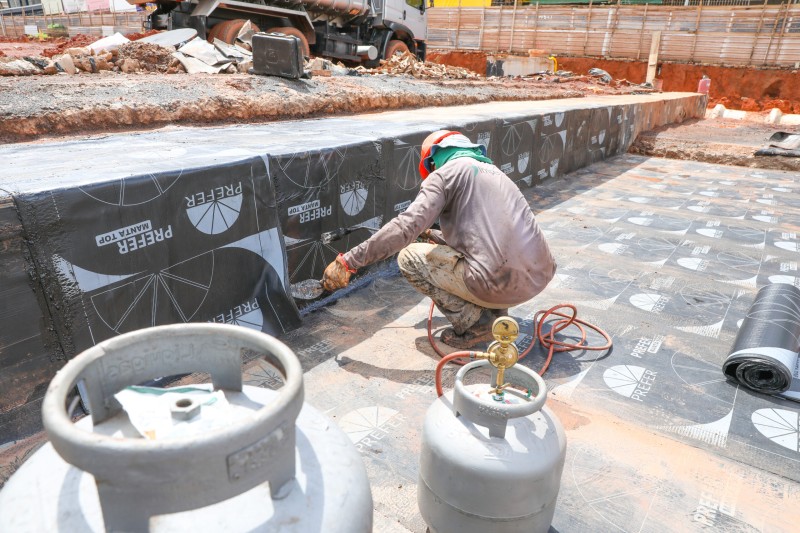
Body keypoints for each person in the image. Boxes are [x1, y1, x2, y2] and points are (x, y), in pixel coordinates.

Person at [322, 130, 557, 348]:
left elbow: (406, 227)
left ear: (433, 162)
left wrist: (349, 262)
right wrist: (432, 234)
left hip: (496, 283)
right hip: (538, 277)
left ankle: (478, 325)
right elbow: (488, 239)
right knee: (489, 256)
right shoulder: (496, 173)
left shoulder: (445, 174)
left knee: (409, 257)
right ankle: (495, 314)